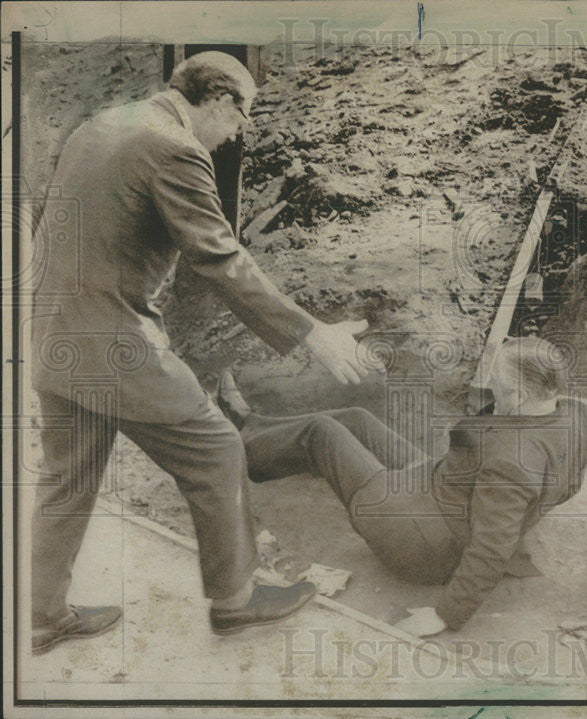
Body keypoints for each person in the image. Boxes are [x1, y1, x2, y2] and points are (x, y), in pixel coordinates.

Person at [30, 52, 380, 654]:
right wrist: (311, 332)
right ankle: (236, 602)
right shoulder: (175, 147)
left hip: (49, 330)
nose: (239, 132)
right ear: (219, 102)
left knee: (68, 479)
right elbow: (219, 259)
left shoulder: (105, 122)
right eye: (241, 117)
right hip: (113, 341)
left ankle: (39, 616)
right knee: (218, 449)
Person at [216, 337, 587, 636]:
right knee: (356, 419)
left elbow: (492, 548)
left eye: (496, 387)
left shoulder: (510, 463)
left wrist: (447, 615)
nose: (490, 391)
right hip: (441, 485)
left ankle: (238, 441)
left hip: (417, 538)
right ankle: (254, 429)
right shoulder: (573, 415)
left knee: (322, 432)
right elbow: (564, 484)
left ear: (522, 396)